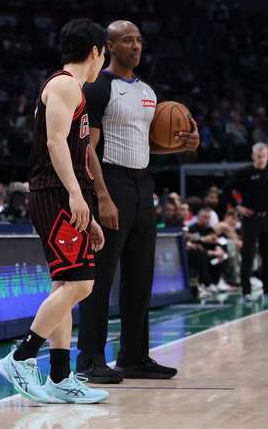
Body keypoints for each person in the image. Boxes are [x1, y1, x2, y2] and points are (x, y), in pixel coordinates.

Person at [77, 20, 199, 384]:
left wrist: (181, 143)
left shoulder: (148, 90)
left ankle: (133, 355)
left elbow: (147, 141)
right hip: (111, 181)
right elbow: (87, 148)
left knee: (140, 275)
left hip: (143, 183)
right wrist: (102, 195)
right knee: (100, 276)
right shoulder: (99, 87)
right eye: (127, 40)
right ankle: (90, 359)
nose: (136, 46)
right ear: (110, 46)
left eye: (139, 40)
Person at [0, 18, 108, 405]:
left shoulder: (72, 88)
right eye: (103, 53)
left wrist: (90, 213)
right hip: (56, 194)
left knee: (64, 287)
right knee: (82, 284)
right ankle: (22, 357)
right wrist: (77, 197)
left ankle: (60, 376)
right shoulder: (63, 84)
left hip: (67, 194)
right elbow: (56, 143)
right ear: (95, 51)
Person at [228, 142, 268, 300]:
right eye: (258, 156)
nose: (261, 159)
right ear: (253, 156)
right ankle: (246, 292)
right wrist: (238, 207)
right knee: (248, 255)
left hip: (267, 219)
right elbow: (226, 189)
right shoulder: (245, 173)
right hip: (251, 219)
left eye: (264, 156)